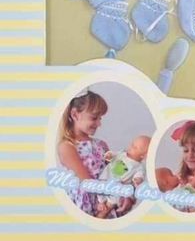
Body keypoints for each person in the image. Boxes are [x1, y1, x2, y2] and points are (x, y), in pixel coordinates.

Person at [57, 89, 131, 218]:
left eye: (100, 118)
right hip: (87, 209)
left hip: (108, 204)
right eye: (94, 118)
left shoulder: (101, 145)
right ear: (75, 115)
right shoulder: (67, 147)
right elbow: (87, 183)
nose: (99, 124)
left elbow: (117, 173)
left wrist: (126, 194)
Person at [96, 135, 151, 217]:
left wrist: (138, 180)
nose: (131, 146)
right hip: (106, 177)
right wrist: (109, 155)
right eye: (132, 143)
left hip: (116, 186)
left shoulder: (139, 166)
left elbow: (140, 175)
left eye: (135, 147)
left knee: (114, 198)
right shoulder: (122, 153)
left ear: (143, 156)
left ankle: (105, 210)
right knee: (99, 189)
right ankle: (101, 202)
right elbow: (113, 154)